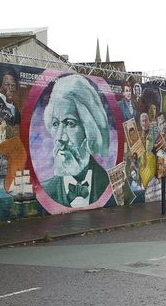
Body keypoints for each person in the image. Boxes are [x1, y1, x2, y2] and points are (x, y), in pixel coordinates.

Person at [40, 74, 112, 208]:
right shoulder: (46, 191)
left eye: (70, 123)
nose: (60, 137)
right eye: (55, 124)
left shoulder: (110, 185)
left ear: (90, 130)